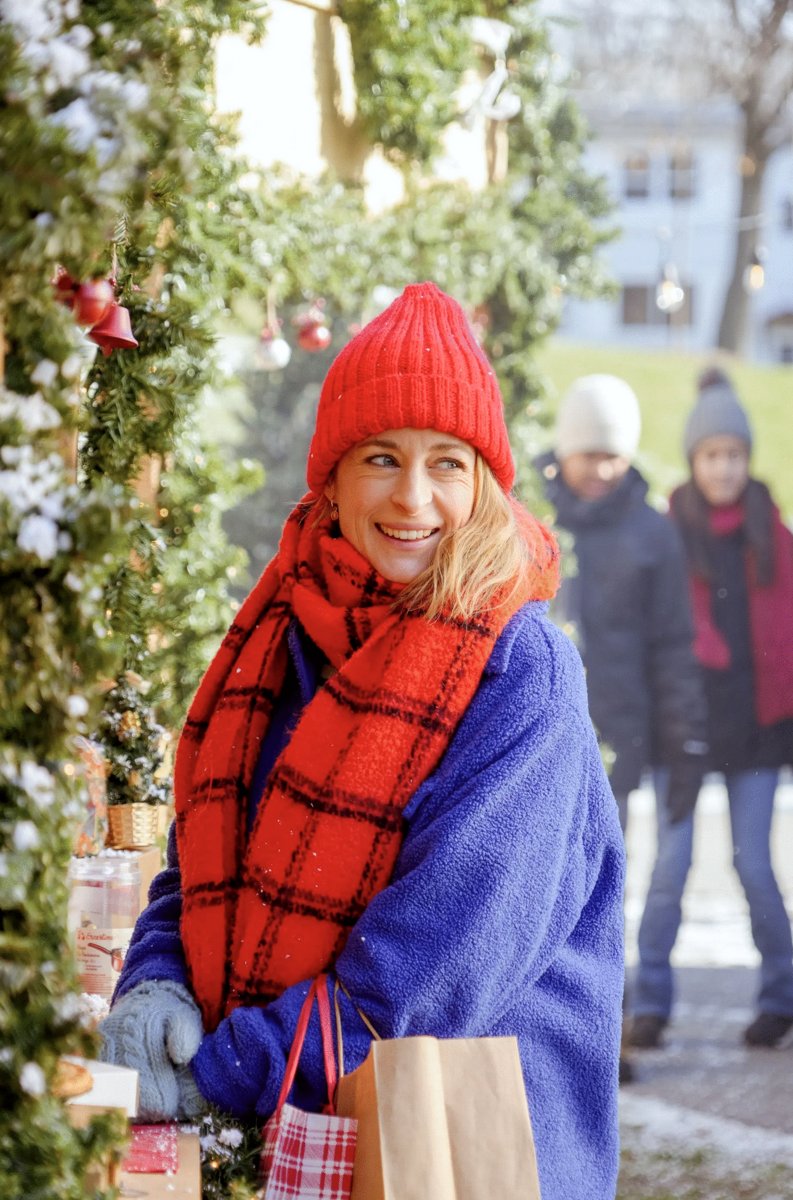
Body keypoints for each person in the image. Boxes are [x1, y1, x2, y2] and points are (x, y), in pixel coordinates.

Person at [99, 283, 625, 1200]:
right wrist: (157, 981)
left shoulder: (519, 670)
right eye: (382, 458)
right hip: (288, 1121)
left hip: (464, 1140)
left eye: (446, 463)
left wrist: (219, 1072)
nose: (412, 497)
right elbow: (201, 863)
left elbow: (438, 969)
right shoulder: (281, 636)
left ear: (483, 483)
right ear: (332, 479)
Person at [536, 374, 708, 1064]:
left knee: (605, 890)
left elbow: (673, 644)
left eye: (612, 455)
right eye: (589, 454)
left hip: (618, 738)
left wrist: (684, 739)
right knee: (543, 886)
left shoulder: (651, 534)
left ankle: (606, 1034)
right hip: (540, 741)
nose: (600, 469)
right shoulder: (534, 520)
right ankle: (544, 1030)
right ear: (565, 450)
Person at [635, 367, 793, 1050]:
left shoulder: (775, 534)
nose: (723, 468)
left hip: (756, 729)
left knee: (754, 867)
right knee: (668, 872)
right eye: (710, 455)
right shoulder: (668, 534)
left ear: (746, 458)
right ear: (693, 459)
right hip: (684, 731)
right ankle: (648, 1003)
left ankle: (781, 996)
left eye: (733, 454)